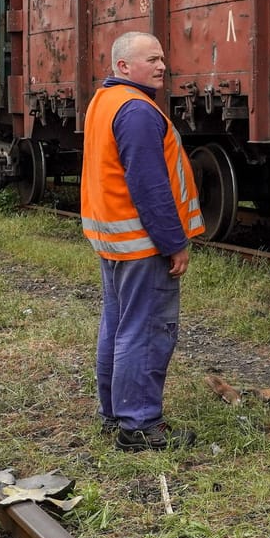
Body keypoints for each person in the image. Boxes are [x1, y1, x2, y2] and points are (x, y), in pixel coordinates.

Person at [81, 30, 204, 452]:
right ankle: (139, 426)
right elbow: (150, 186)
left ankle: (114, 413)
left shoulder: (105, 101)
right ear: (123, 67)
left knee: (117, 325)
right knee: (147, 329)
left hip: (115, 241)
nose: (161, 66)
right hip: (142, 245)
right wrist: (174, 243)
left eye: (162, 58)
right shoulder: (136, 110)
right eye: (151, 59)